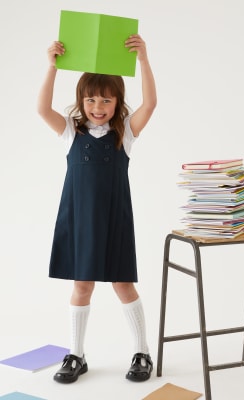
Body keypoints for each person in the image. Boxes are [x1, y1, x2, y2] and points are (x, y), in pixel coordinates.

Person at [37, 34, 157, 384]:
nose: (98, 105)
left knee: (123, 285)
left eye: (106, 99)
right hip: (80, 221)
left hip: (114, 219)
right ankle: (76, 354)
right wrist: (51, 67)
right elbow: (42, 109)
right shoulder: (71, 133)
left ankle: (142, 352)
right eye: (91, 99)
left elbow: (150, 104)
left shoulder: (125, 134)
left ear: (118, 101)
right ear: (82, 100)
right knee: (82, 286)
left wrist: (144, 60)